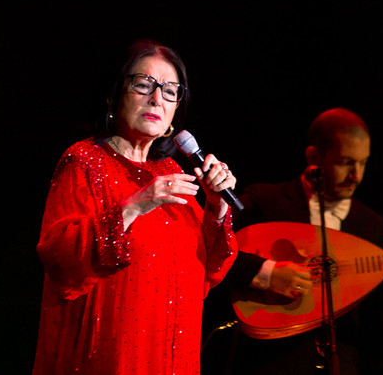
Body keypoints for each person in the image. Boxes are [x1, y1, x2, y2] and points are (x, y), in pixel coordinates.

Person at [32, 40, 238, 375]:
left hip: (175, 352)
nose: (157, 98)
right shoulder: (84, 161)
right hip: (114, 353)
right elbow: (60, 255)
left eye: (170, 91)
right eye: (143, 85)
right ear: (115, 94)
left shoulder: (171, 172)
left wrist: (216, 208)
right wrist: (130, 207)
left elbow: (211, 270)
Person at [202, 108, 383, 374]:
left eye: (363, 163)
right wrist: (266, 273)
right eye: (346, 162)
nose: (357, 175)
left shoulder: (369, 225)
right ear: (314, 157)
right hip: (267, 362)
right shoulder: (266, 200)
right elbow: (211, 250)